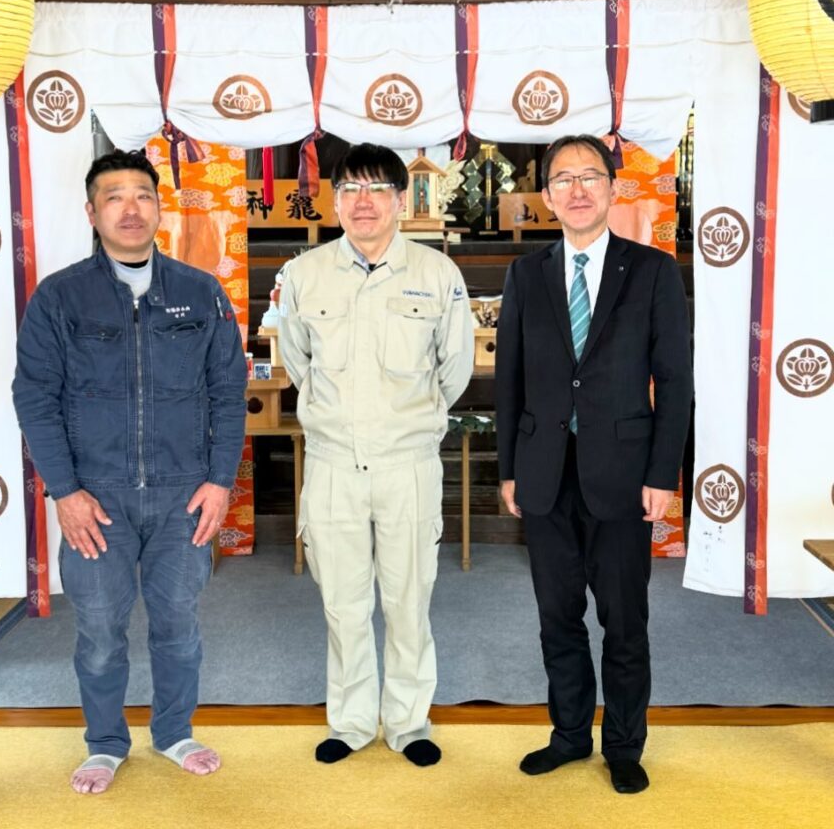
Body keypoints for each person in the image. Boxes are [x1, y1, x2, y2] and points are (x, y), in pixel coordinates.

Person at [12, 149, 246, 794]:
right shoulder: (60, 296)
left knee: (178, 620)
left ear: (159, 207)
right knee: (98, 628)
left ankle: (173, 731)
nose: (131, 208)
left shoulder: (200, 293)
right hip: (96, 498)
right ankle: (106, 742)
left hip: (184, 498)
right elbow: (34, 396)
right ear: (93, 212)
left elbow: (228, 392)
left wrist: (220, 480)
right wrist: (66, 492)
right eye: (114, 197)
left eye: (142, 194)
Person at [495, 134, 692, 794]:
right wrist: (508, 468)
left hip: (625, 476)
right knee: (557, 619)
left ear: (612, 188)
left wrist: (663, 474)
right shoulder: (527, 274)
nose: (577, 189)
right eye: (563, 179)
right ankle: (570, 736)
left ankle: (625, 745)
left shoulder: (654, 270)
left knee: (624, 621)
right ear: (546, 195)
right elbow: (511, 381)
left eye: (590, 176)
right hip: (545, 474)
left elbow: (676, 380)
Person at [278, 143, 474, 767]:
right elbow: (297, 364)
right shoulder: (305, 275)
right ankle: (353, 720)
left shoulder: (437, 274)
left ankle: (411, 723)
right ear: (334, 200)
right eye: (350, 190)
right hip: (334, 465)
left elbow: (455, 370)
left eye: (377, 190)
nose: (363, 203)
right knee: (343, 601)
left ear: (400, 200)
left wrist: (405, 423)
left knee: (409, 598)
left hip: (407, 466)